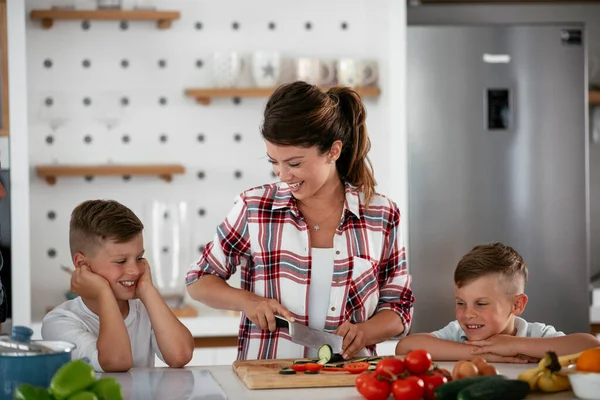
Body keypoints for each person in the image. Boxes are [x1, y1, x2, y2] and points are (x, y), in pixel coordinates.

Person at [186, 81, 414, 360]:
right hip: (269, 382)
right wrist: (249, 301)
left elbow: (399, 307)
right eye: (274, 162)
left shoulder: (381, 214)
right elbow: (198, 280)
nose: (282, 175)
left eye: (294, 163)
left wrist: (365, 332)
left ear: (333, 151)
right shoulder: (254, 208)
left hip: (349, 381)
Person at [42, 200, 194, 372]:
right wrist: (103, 293)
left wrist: (148, 290)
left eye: (139, 258)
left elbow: (180, 355)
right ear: (82, 263)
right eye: (121, 261)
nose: (134, 270)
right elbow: (116, 362)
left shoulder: (144, 309)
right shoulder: (60, 321)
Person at [395, 242, 600, 362]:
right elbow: (405, 346)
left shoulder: (534, 334)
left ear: (517, 305)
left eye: (481, 304)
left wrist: (514, 345)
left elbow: (591, 346)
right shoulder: (458, 333)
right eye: (460, 303)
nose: (467, 314)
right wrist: (480, 353)